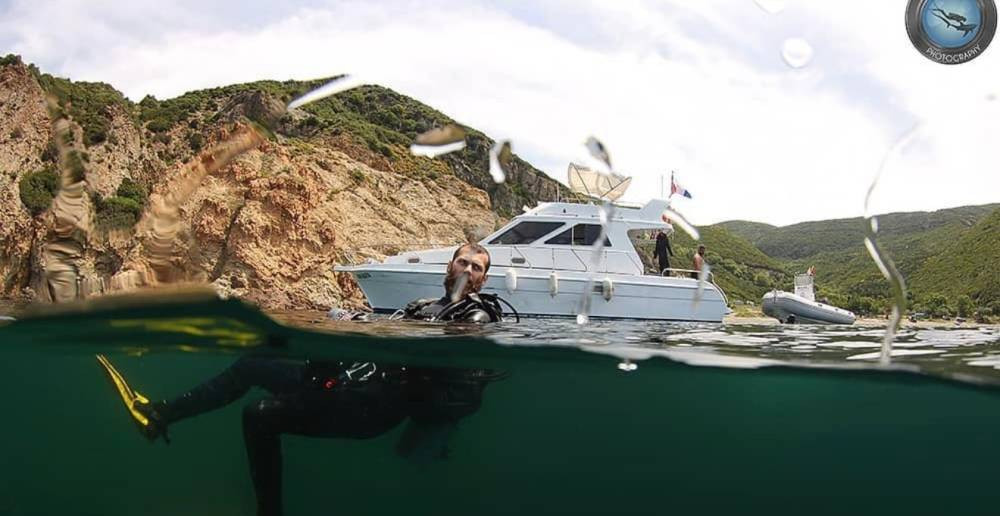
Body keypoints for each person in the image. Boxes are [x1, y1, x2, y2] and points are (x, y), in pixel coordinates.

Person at [101, 243, 508, 516]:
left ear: (483, 280)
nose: (467, 270)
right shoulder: (423, 304)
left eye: (477, 267)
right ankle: (160, 415)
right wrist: (355, 320)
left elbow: (434, 349)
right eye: (462, 262)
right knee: (253, 363)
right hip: (356, 386)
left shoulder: (475, 315)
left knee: (260, 415)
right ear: (448, 266)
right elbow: (389, 328)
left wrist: (375, 332)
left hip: (374, 410)